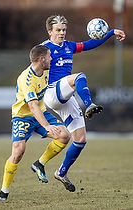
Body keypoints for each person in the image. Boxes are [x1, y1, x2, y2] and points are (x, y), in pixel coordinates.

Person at [37, 15, 125, 192]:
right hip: (52, 93)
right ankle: (89, 104)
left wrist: (111, 32)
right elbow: (33, 70)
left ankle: (61, 172)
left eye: (64, 30)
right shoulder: (44, 49)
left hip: (65, 97)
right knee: (79, 76)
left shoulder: (69, 46)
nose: (62, 33)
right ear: (50, 31)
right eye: (58, 30)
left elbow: (90, 44)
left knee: (80, 139)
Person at [0, 45, 71, 200]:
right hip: (22, 116)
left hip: (40, 112)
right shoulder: (26, 78)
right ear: (41, 59)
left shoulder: (47, 72)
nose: (52, 59)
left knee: (64, 136)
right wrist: (46, 126)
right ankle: (4, 192)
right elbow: (32, 105)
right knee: (18, 152)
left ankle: (39, 164)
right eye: (49, 56)